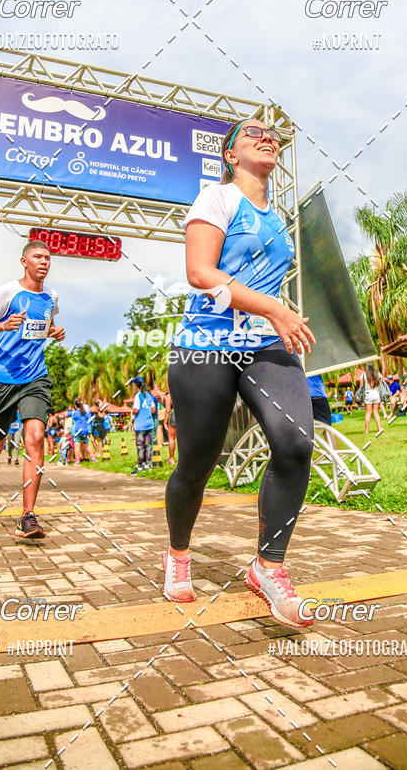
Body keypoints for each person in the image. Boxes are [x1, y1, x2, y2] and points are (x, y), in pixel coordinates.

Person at [164, 118, 316, 629]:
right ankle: (178, 552)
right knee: (197, 463)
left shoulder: (278, 218)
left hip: (265, 344)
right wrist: (275, 308)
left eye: (272, 133)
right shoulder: (217, 199)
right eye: (252, 133)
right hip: (205, 345)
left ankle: (268, 567)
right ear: (230, 155)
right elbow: (200, 273)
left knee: (295, 443)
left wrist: (277, 317)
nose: (267, 136)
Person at [0, 240, 64, 539]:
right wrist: (2, 326)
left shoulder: (51, 297)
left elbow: (45, 326)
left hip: (35, 378)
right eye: (37, 257)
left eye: (47, 258)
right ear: (24, 261)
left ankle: (28, 516)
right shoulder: (6, 292)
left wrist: (55, 331)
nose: (44, 262)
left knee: (35, 438)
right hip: (0, 380)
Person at [131, 377, 155, 474]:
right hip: (149, 424)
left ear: (136, 386)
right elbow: (153, 409)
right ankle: (148, 465)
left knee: (140, 446)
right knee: (148, 446)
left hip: (141, 425)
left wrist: (133, 411)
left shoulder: (138, 396)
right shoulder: (148, 395)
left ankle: (140, 466)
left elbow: (136, 410)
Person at [70, 398, 90, 467]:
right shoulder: (85, 412)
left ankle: (77, 461)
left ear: (75, 405)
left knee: (77, 446)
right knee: (87, 445)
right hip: (85, 431)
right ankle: (93, 458)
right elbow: (87, 418)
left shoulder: (74, 413)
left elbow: (72, 419)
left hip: (78, 431)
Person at [363, 363, 383, 434]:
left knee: (368, 412)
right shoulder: (377, 374)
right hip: (376, 393)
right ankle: (379, 428)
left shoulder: (364, 375)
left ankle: (367, 430)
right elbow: (381, 380)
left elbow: (361, 385)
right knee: (376, 412)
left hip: (368, 393)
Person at [164, 390, 177, 465]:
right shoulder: (184, 392)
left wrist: (165, 422)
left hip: (174, 416)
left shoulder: (169, 395)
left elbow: (168, 410)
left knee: (171, 438)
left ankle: (171, 458)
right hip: (184, 417)